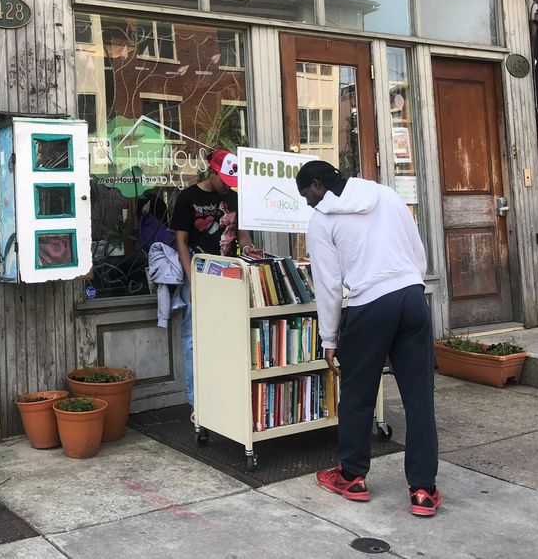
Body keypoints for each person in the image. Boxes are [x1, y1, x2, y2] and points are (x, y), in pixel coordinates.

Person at [295, 160, 441, 517]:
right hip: (411, 296)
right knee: (419, 397)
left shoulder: (322, 221)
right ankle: (423, 490)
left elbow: (329, 287)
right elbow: (416, 250)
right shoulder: (387, 195)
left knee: (358, 397)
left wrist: (329, 338)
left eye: (306, 195)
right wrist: (410, 284)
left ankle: (351, 476)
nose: (308, 203)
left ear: (317, 184)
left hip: (369, 305)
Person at [171, 150, 260, 416]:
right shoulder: (188, 197)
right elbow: (181, 241)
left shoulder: (234, 197)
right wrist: (191, 278)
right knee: (193, 337)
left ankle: (225, 393)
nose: (227, 185)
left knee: (229, 333)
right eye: (224, 179)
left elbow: (242, 235)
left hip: (229, 273)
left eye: (231, 180)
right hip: (199, 273)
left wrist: (249, 249)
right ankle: (196, 400)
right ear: (211, 171)